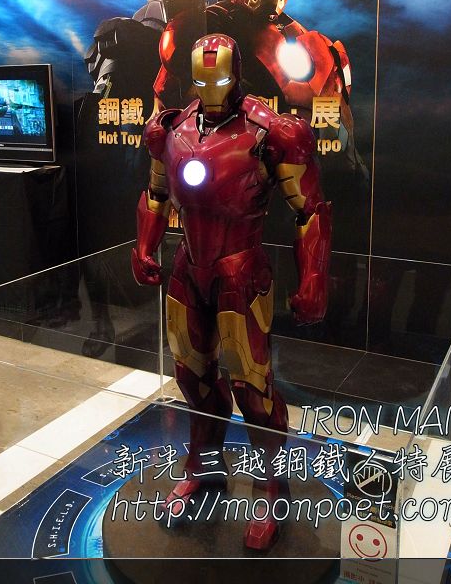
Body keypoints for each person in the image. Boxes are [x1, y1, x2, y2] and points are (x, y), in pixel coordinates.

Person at [131, 33, 331, 550]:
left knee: (252, 389)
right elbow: (155, 192)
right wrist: (145, 246)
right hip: (189, 266)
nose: (210, 88)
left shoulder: (272, 131)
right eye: (202, 79)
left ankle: (271, 488)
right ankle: (203, 465)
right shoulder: (170, 129)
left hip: (241, 271)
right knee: (192, 377)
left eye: (218, 77)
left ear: (237, 73)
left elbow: (310, 210)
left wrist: (313, 278)